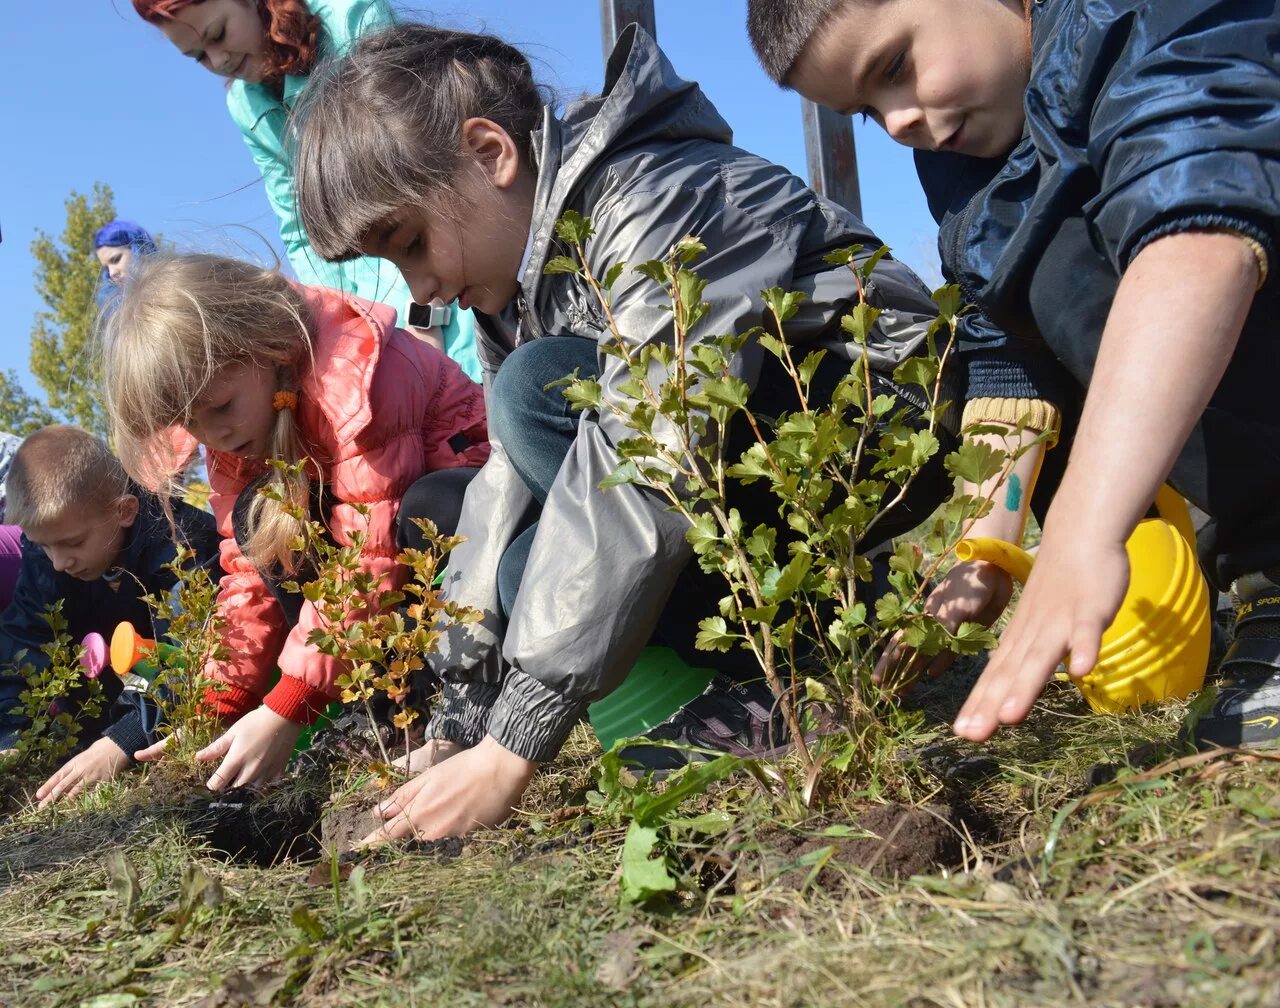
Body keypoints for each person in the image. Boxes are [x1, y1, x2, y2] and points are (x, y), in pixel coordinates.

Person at [289, 22, 969, 841]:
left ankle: (811, 666)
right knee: (511, 563)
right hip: (751, 446)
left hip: (874, 418)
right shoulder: (518, 281)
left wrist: (516, 748)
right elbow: (509, 488)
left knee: (537, 393)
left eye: (411, 244)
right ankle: (774, 687)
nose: (422, 288)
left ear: (491, 152)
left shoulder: (652, 194)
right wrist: (463, 722)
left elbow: (658, 440)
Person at [746, 0, 1280, 747]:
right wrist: (987, 552)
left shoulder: (1137, 15)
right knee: (1048, 274)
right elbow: (1005, 347)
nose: (896, 122)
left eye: (895, 66)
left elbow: (1198, 231)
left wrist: (1080, 534)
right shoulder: (958, 157)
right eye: (868, 111)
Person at [101, 252, 491, 792]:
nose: (212, 434)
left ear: (267, 346)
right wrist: (217, 704)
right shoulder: (241, 434)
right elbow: (245, 579)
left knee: (431, 505)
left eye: (220, 406)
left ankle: (451, 702)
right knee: (260, 516)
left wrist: (289, 706)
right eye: (190, 422)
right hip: (382, 589)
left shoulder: (354, 377)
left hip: (463, 542)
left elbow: (370, 554)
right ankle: (380, 713)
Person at [130, 0, 483, 381]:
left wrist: (425, 319)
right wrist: (348, 336)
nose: (219, 61)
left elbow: (417, 178)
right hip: (381, 329)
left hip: (451, 291)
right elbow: (300, 230)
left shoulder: (352, 18)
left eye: (218, 34)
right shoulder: (246, 106)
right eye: (198, 56)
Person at [0, 426, 221, 804]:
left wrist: (123, 740)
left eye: (73, 543)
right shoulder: (49, 558)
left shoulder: (183, 544)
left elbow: (190, 659)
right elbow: (23, 646)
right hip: (95, 707)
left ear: (124, 510)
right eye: (42, 545)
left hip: (170, 718)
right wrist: (11, 739)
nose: (59, 561)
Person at [95, 219, 158, 294]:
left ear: (138, 248)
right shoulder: (111, 302)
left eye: (116, 259)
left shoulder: (171, 289)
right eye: (106, 268)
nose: (112, 273)